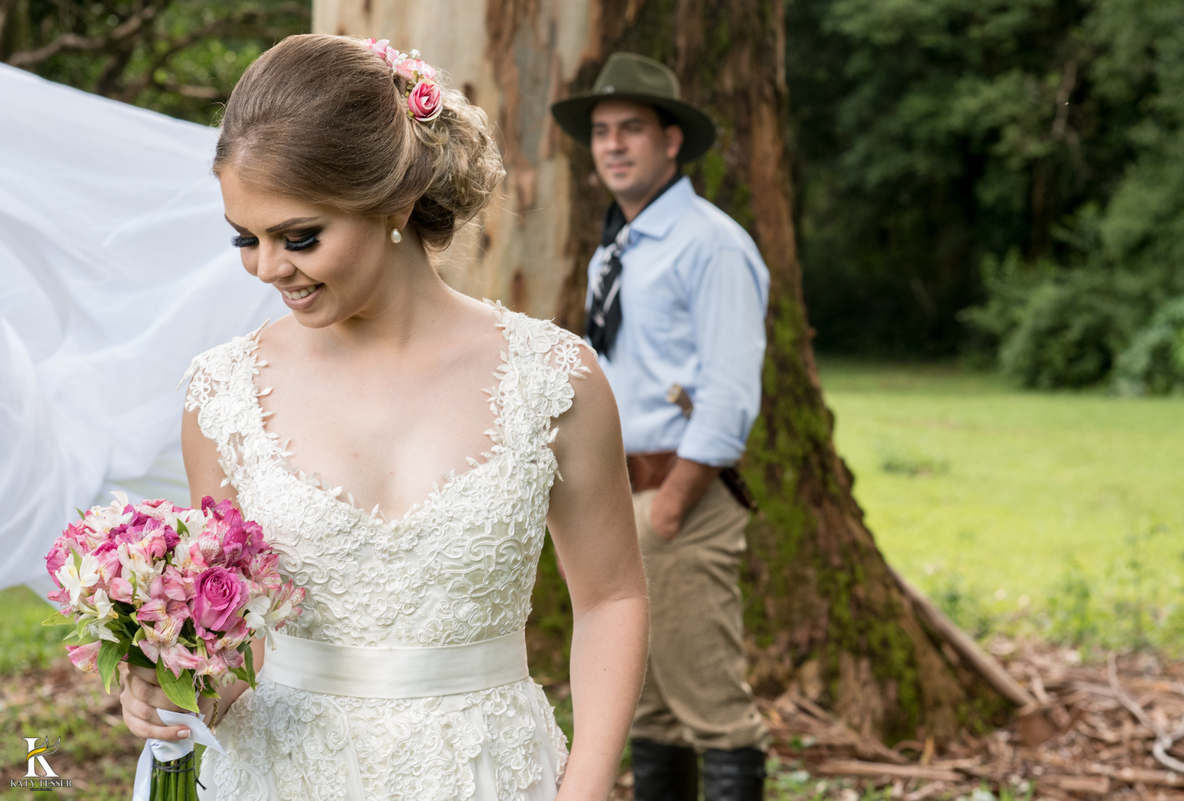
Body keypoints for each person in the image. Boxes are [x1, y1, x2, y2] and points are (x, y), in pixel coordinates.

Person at [116, 34, 649, 801]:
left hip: (489, 774)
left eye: (299, 237)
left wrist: (587, 786)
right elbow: (239, 653)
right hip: (282, 777)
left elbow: (611, 597)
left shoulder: (555, 378)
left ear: (396, 202)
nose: (268, 268)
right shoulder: (222, 397)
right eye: (246, 238)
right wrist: (177, 688)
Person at [550, 53, 772, 801]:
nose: (613, 145)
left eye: (632, 130)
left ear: (672, 141)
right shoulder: (616, 248)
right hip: (619, 497)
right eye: (603, 132)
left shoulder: (710, 244)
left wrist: (671, 506)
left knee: (709, 700)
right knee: (645, 705)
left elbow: (732, 391)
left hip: (680, 499)